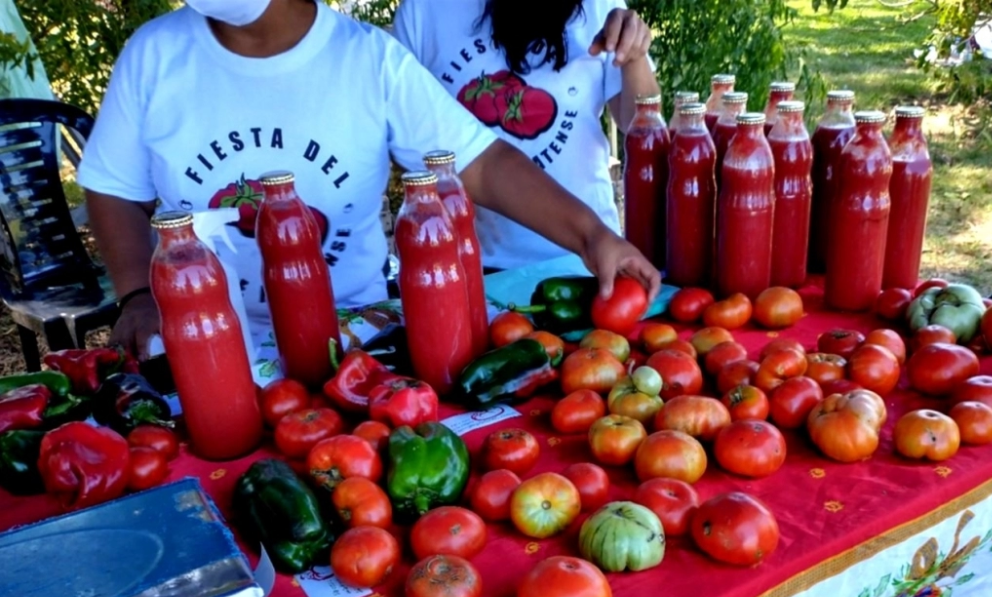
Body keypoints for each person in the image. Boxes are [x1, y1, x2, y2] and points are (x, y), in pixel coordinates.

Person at [78, 0, 660, 359]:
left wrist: (593, 236)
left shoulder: (369, 61)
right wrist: (135, 294)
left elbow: (481, 162)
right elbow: (111, 184)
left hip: (356, 338)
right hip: (205, 337)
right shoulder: (152, 56)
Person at [391, 0, 660, 271]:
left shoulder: (596, 5)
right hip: (478, 270)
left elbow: (637, 123)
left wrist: (633, 56)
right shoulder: (421, 11)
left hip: (592, 260)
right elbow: (416, 151)